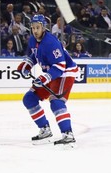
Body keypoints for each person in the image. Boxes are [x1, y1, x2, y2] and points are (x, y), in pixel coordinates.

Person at [16, 15, 78, 147]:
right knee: (29, 99)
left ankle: (68, 134)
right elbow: (34, 54)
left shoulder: (51, 42)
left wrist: (45, 77)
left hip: (65, 73)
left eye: (37, 27)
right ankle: (45, 130)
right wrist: (27, 64)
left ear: (43, 27)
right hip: (51, 73)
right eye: (33, 28)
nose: (35, 30)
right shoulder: (33, 39)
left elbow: (60, 66)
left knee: (55, 101)